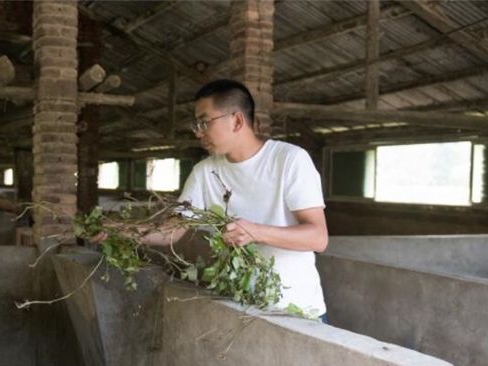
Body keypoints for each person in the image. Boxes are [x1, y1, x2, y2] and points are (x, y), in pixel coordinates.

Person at [99, 79, 329, 320]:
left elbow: (318, 237)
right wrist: (117, 230)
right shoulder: (205, 172)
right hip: (240, 305)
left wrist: (256, 232)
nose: (199, 132)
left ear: (237, 120)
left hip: (298, 310)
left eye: (205, 122)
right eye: (196, 124)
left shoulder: (289, 160)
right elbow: (172, 230)